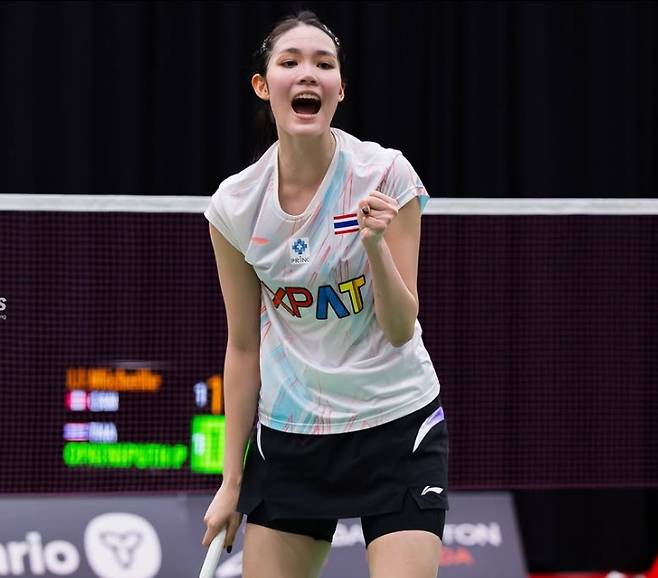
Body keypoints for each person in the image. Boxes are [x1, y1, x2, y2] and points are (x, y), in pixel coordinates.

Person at [201, 10, 448, 578]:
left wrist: (375, 247)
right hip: (292, 436)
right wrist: (232, 482)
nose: (307, 73)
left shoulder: (385, 176)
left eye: (324, 64)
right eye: (289, 62)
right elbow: (243, 347)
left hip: (395, 422)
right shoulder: (235, 206)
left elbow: (399, 327)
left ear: (340, 89)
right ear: (263, 86)